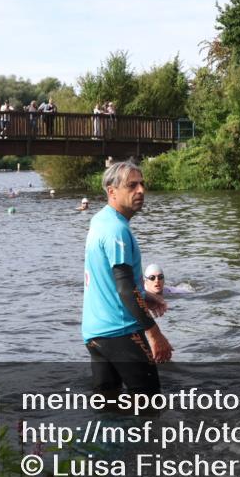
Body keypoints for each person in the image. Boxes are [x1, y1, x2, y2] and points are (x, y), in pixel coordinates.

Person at [82, 161, 171, 398]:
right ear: (112, 191)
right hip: (121, 331)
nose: (141, 190)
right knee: (150, 405)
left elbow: (110, 280)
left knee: (108, 405)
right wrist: (154, 333)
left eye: (142, 184)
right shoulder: (116, 231)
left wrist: (145, 295)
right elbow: (124, 288)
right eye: (132, 185)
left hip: (95, 332)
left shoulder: (99, 221)